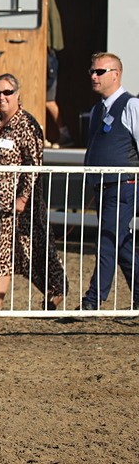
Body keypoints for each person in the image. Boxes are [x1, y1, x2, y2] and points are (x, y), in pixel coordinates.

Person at [0, 73, 67, 310]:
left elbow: (35, 164)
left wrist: (23, 198)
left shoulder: (27, 124)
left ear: (17, 94)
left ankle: (56, 288)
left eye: (7, 92)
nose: (1, 97)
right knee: (5, 248)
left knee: (33, 249)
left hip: (24, 204)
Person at [80, 52, 139, 310]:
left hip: (124, 185)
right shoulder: (96, 110)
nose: (94, 76)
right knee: (122, 245)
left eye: (100, 72)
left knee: (106, 240)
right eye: (92, 71)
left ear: (116, 74)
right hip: (102, 187)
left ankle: (93, 301)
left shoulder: (132, 106)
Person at [44, 0, 74, 147]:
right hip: (48, 54)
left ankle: (64, 134)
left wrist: (52, 45)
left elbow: (53, 22)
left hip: (47, 56)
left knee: (48, 100)